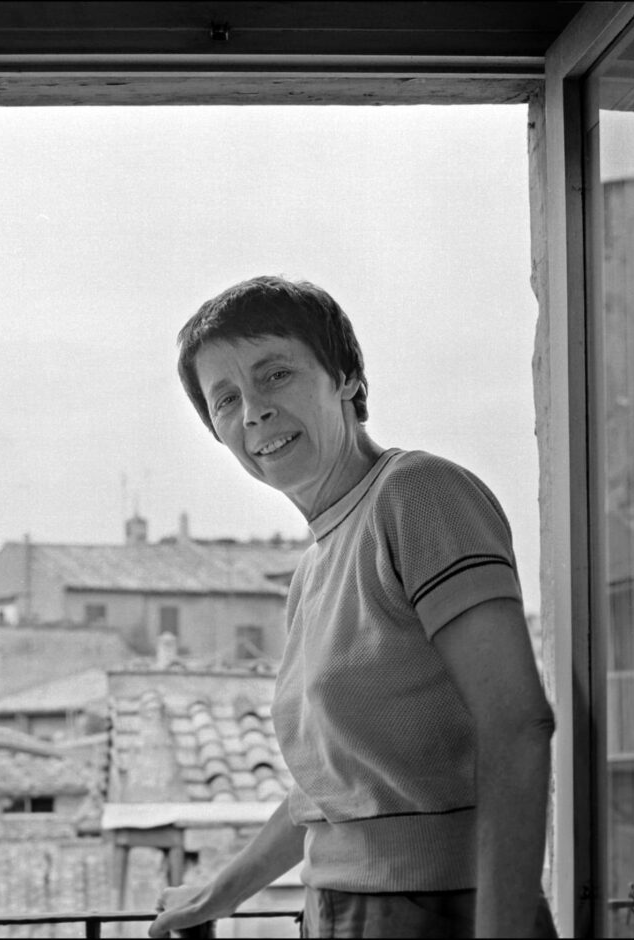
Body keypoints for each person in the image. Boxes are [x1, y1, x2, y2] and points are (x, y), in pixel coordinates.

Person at [149, 276, 556, 939]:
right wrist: (214, 896)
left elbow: (516, 723)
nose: (253, 411)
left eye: (275, 375)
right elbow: (331, 797)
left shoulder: (417, 494)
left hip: (437, 912)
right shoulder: (314, 568)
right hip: (341, 909)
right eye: (226, 399)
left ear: (345, 377)